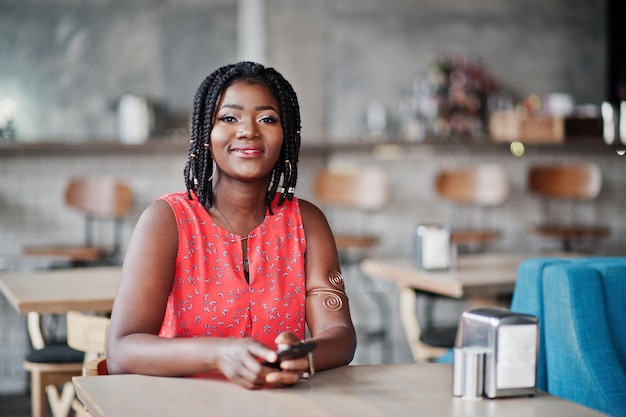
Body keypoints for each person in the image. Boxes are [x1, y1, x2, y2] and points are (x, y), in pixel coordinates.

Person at [106, 61, 357, 389]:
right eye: (229, 117)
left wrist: (303, 356)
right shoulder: (166, 221)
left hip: (281, 405)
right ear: (206, 134)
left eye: (267, 119)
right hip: (182, 405)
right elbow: (121, 351)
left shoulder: (307, 222)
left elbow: (340, 335)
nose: (249, 130)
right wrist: (219, 353)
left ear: (287, 135)